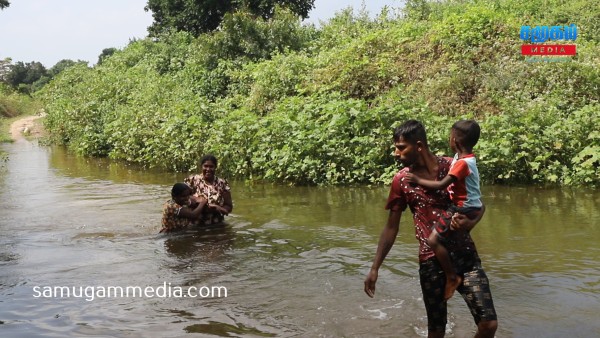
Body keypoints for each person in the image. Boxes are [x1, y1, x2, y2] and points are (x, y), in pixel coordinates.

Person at [364, 120, 497, 338]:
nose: (396, 153)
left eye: (401, 147)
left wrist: (471, 223)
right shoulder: (403, 180)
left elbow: (479, 202)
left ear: (418, 146)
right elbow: (391, 227)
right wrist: (375, 267)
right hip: (431, 262)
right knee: (437, 333)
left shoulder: (451, 167)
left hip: (465, 255)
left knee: (488, 325)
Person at [405, 119, 482, 301]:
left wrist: (417, 180)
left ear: (455, 141)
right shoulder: (465, 157)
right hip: (473, 205)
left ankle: (451, 276)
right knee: (452, 232)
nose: (449, 139)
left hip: (463, 206)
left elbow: (440, 185)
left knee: (433, 240)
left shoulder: (463, 164)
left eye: (450, 136)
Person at [184, 155, 233, 225]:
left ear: (215, 167)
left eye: (211, 166)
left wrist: (218, 208)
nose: (208, 169)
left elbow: (229, 206)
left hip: (216, 223)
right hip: (195, 223)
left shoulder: (222, 183)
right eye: (205, 166)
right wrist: (201, 201)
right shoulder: (193, 180)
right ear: (201, 167)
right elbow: (182, 197)